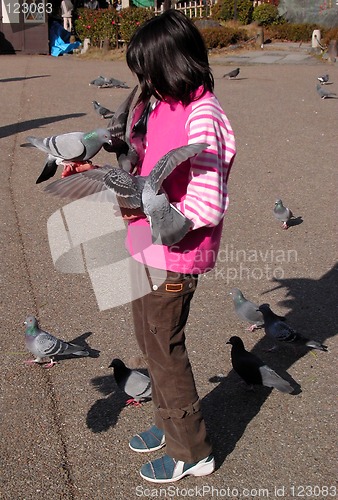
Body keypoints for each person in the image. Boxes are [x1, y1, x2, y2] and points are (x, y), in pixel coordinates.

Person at [62, 10, 236, 483]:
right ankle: (168, 421)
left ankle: (192, 451)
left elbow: (205, 203)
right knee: (148, 342)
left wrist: (152, 220)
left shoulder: (204, 115)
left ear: (174, 65)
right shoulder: (162, 103)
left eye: (148, 72)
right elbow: (141, 157)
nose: (143, 82)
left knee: (165, 349)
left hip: (174, 257)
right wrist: (96, 169)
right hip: (144, 247)